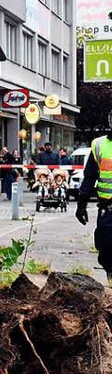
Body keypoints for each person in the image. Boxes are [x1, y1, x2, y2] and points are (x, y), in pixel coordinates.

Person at [75, 115, 112, 281]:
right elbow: (89, 177)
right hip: (107, 208)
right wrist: (81, 204)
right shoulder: (99, 144)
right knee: (105, 245)